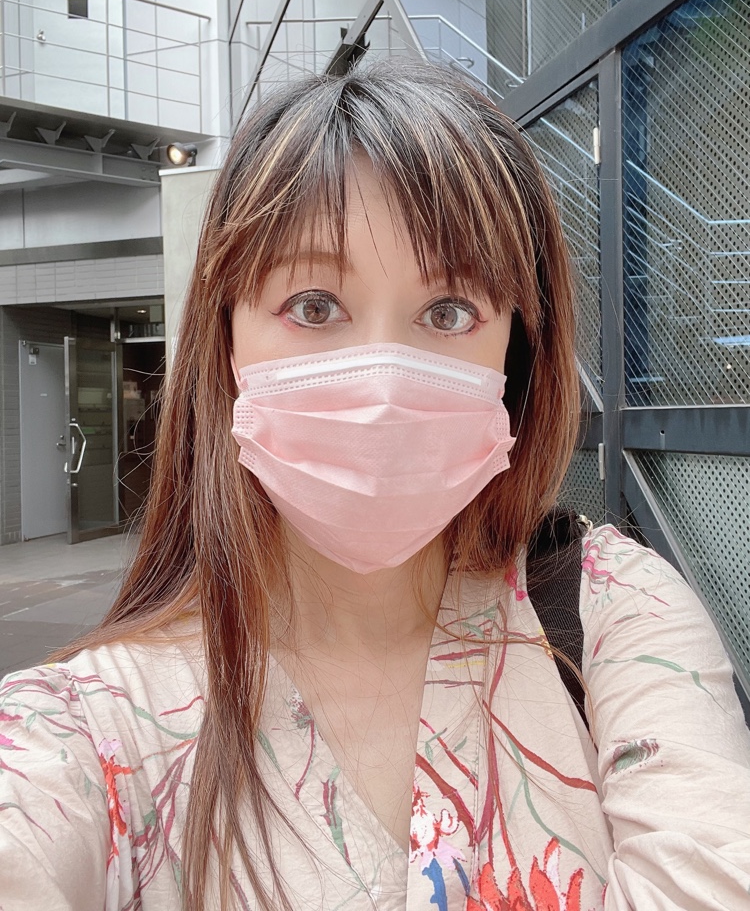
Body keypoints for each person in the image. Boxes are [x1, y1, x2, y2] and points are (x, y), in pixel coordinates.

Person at [1, 60, 749, 911]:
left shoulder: (615, 614)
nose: (384, 379)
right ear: (226, 341)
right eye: (314, 306)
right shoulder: (93, 724)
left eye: (448, 312)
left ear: (516, 354)